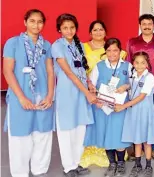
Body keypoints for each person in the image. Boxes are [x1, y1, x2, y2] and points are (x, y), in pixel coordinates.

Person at [3, 9, 54, 177]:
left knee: (43, 133)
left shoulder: (46, 45)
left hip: (42, 95)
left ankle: (40, 170)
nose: (36, 25)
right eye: (32, 21)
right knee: (20, 135)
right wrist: (21, 98)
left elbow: (50, 72)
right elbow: (7, 71)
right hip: (21, 94)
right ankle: (20, 173)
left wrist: (50, 95)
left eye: (40, 22)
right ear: (25, 22)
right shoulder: (13, 43)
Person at [51, 13, 95, 177]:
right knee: (67, 129)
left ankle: (76, 163)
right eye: (65, 28)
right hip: (67, 92)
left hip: (82, 92)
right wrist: (87, 93)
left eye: (72, 27)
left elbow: (83, 69)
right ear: (59, 30)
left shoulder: (80, 46)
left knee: (80, 128)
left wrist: (89, 84)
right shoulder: (57, 46)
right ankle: (68, 166)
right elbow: (69, 73)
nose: (69, 31)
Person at [80, 20, 128, 169]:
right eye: (109, 51)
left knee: (119, 134)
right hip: (102, 107)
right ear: (105, 52)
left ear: (120, 51)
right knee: (105, 133)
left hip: (120, 107)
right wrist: (96, 101)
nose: (112, 53)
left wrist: (126, 85)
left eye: (115, 50)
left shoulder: (128, 66)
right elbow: (92, 86)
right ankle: (112, 164)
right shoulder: (99, 66)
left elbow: (134, 84)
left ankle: (120, 163)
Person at [126, 14, 154, 160]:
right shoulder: (132, 42)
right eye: (144, 23)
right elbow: (129, 65)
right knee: (135, 118)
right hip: (136, 89)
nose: (147, 26)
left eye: (150, 23)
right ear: (140, 25)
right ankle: (137, 147)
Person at [117, 52, 154, 177]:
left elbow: (141, 96)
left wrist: (124, 106)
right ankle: (137, 164)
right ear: (133, 64)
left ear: (147, 64)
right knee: (137, 139)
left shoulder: (150, 77)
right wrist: (125, 86)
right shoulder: (133, 75)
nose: (139, 65)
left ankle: (148, 165)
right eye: (136, 62)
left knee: (146, 140)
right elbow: (132, 86)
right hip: (133, 111)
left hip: (144, 111)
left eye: (143, 63)